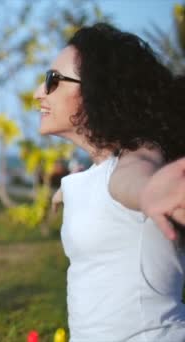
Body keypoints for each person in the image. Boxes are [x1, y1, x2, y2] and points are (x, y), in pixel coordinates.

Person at [35, 23, 185, 341]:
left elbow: (132, 179)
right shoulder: (94, 173)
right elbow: (104, 187)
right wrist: (71, 191)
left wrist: (150, 192)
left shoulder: (138, 154)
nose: (39, 93)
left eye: (53, 81)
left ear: (96, 91)